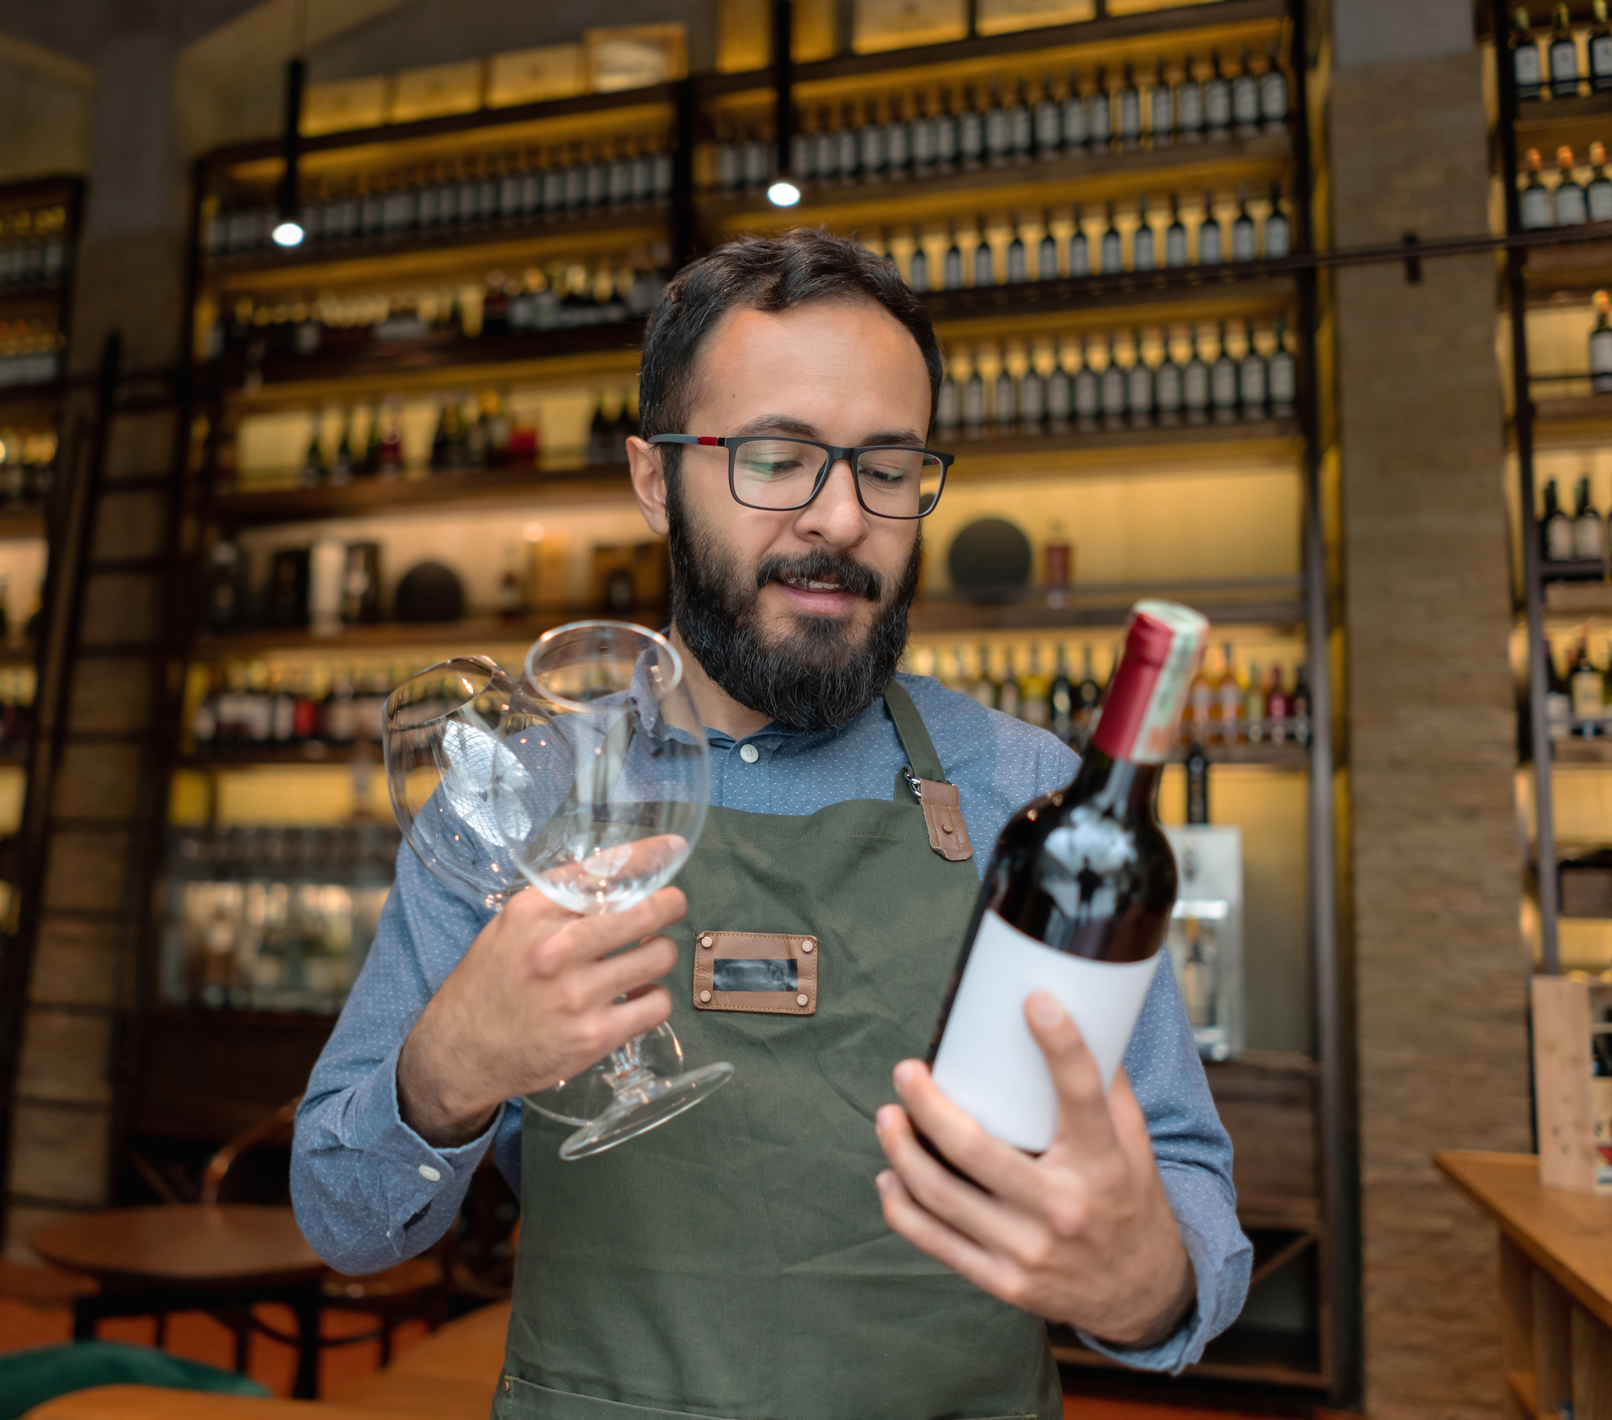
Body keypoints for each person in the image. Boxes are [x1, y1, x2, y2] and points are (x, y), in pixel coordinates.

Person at [292, 229, 1250, 1419]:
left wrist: (1145, 1279)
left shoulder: (1028, 796)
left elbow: (1189, 1185)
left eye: (887, 469)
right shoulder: (522, 796)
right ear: (656, 479)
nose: (842, 518)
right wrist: (445, 1073)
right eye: (778, 457)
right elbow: (343, 1218)